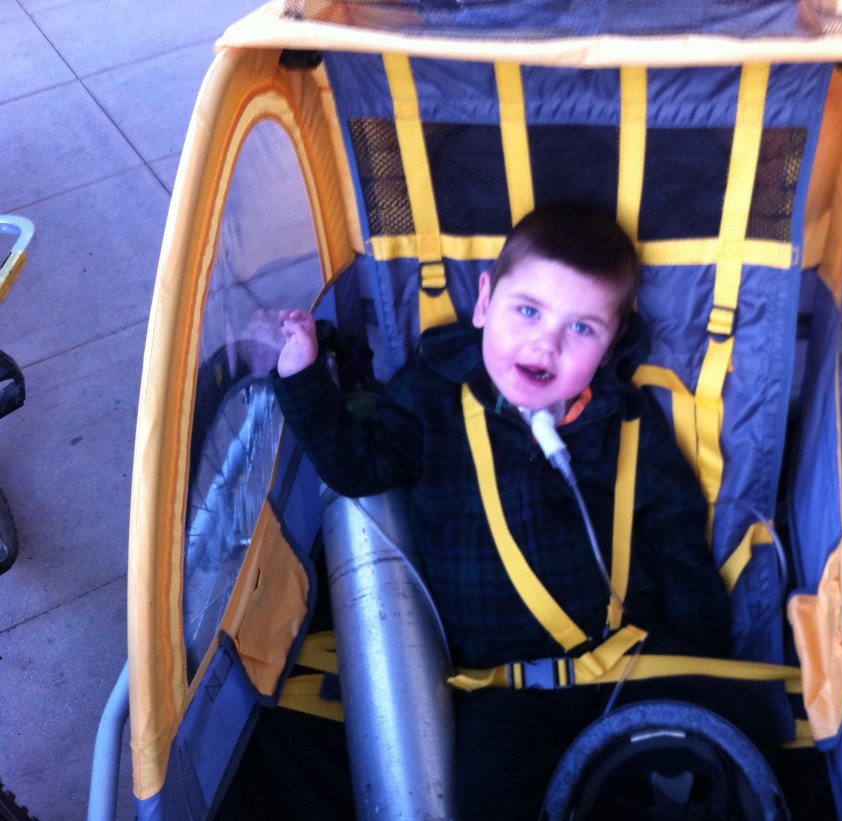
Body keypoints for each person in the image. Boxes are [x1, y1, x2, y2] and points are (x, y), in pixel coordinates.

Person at [273, 203, 784, 819]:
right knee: (489, 797)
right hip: (509, 690)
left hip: (634, 656)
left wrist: (701, 653)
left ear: (611, 344)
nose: (547, 342)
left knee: (744, 735)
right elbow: (358, 467)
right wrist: (302, 377)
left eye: (582, 328)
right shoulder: (432, 394)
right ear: (485, 303)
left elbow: (677, 540)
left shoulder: (626, 423)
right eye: (528, 311)